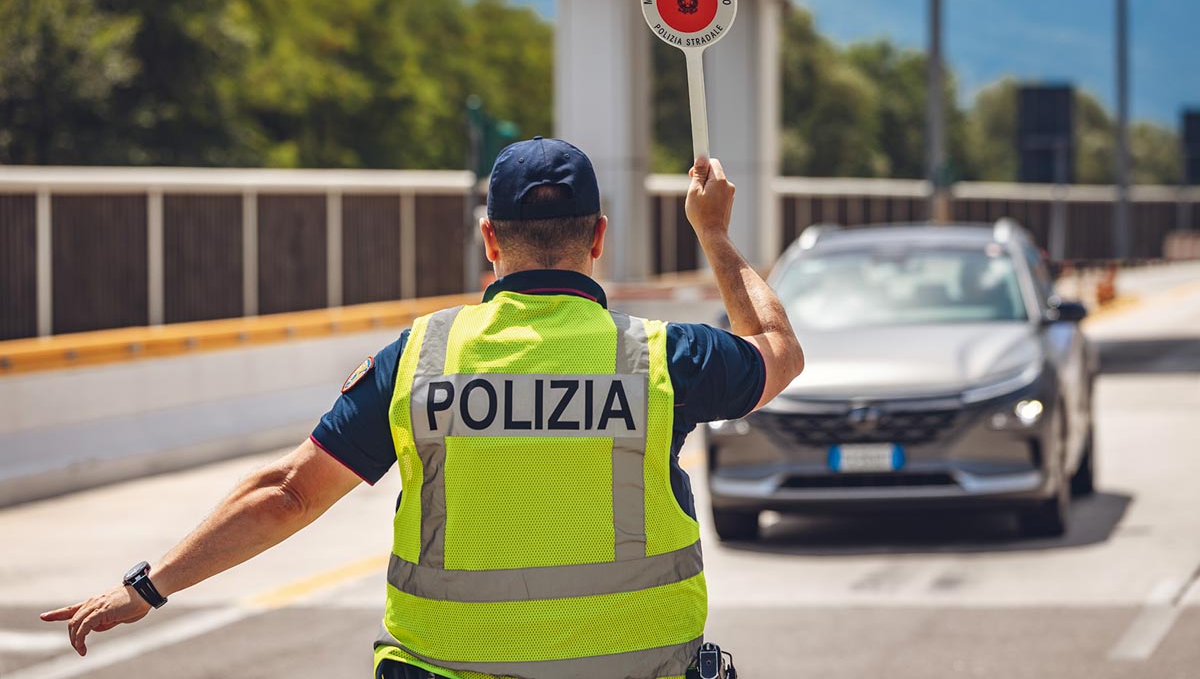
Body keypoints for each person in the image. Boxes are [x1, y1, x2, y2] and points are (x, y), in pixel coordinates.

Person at [41, 137, 804, 679]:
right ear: (598, 237)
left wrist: (146, 587)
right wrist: (714, 235)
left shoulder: (420, 359)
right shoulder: (662, 357)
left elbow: (288, 494)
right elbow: (777, 349)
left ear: (489, 240)